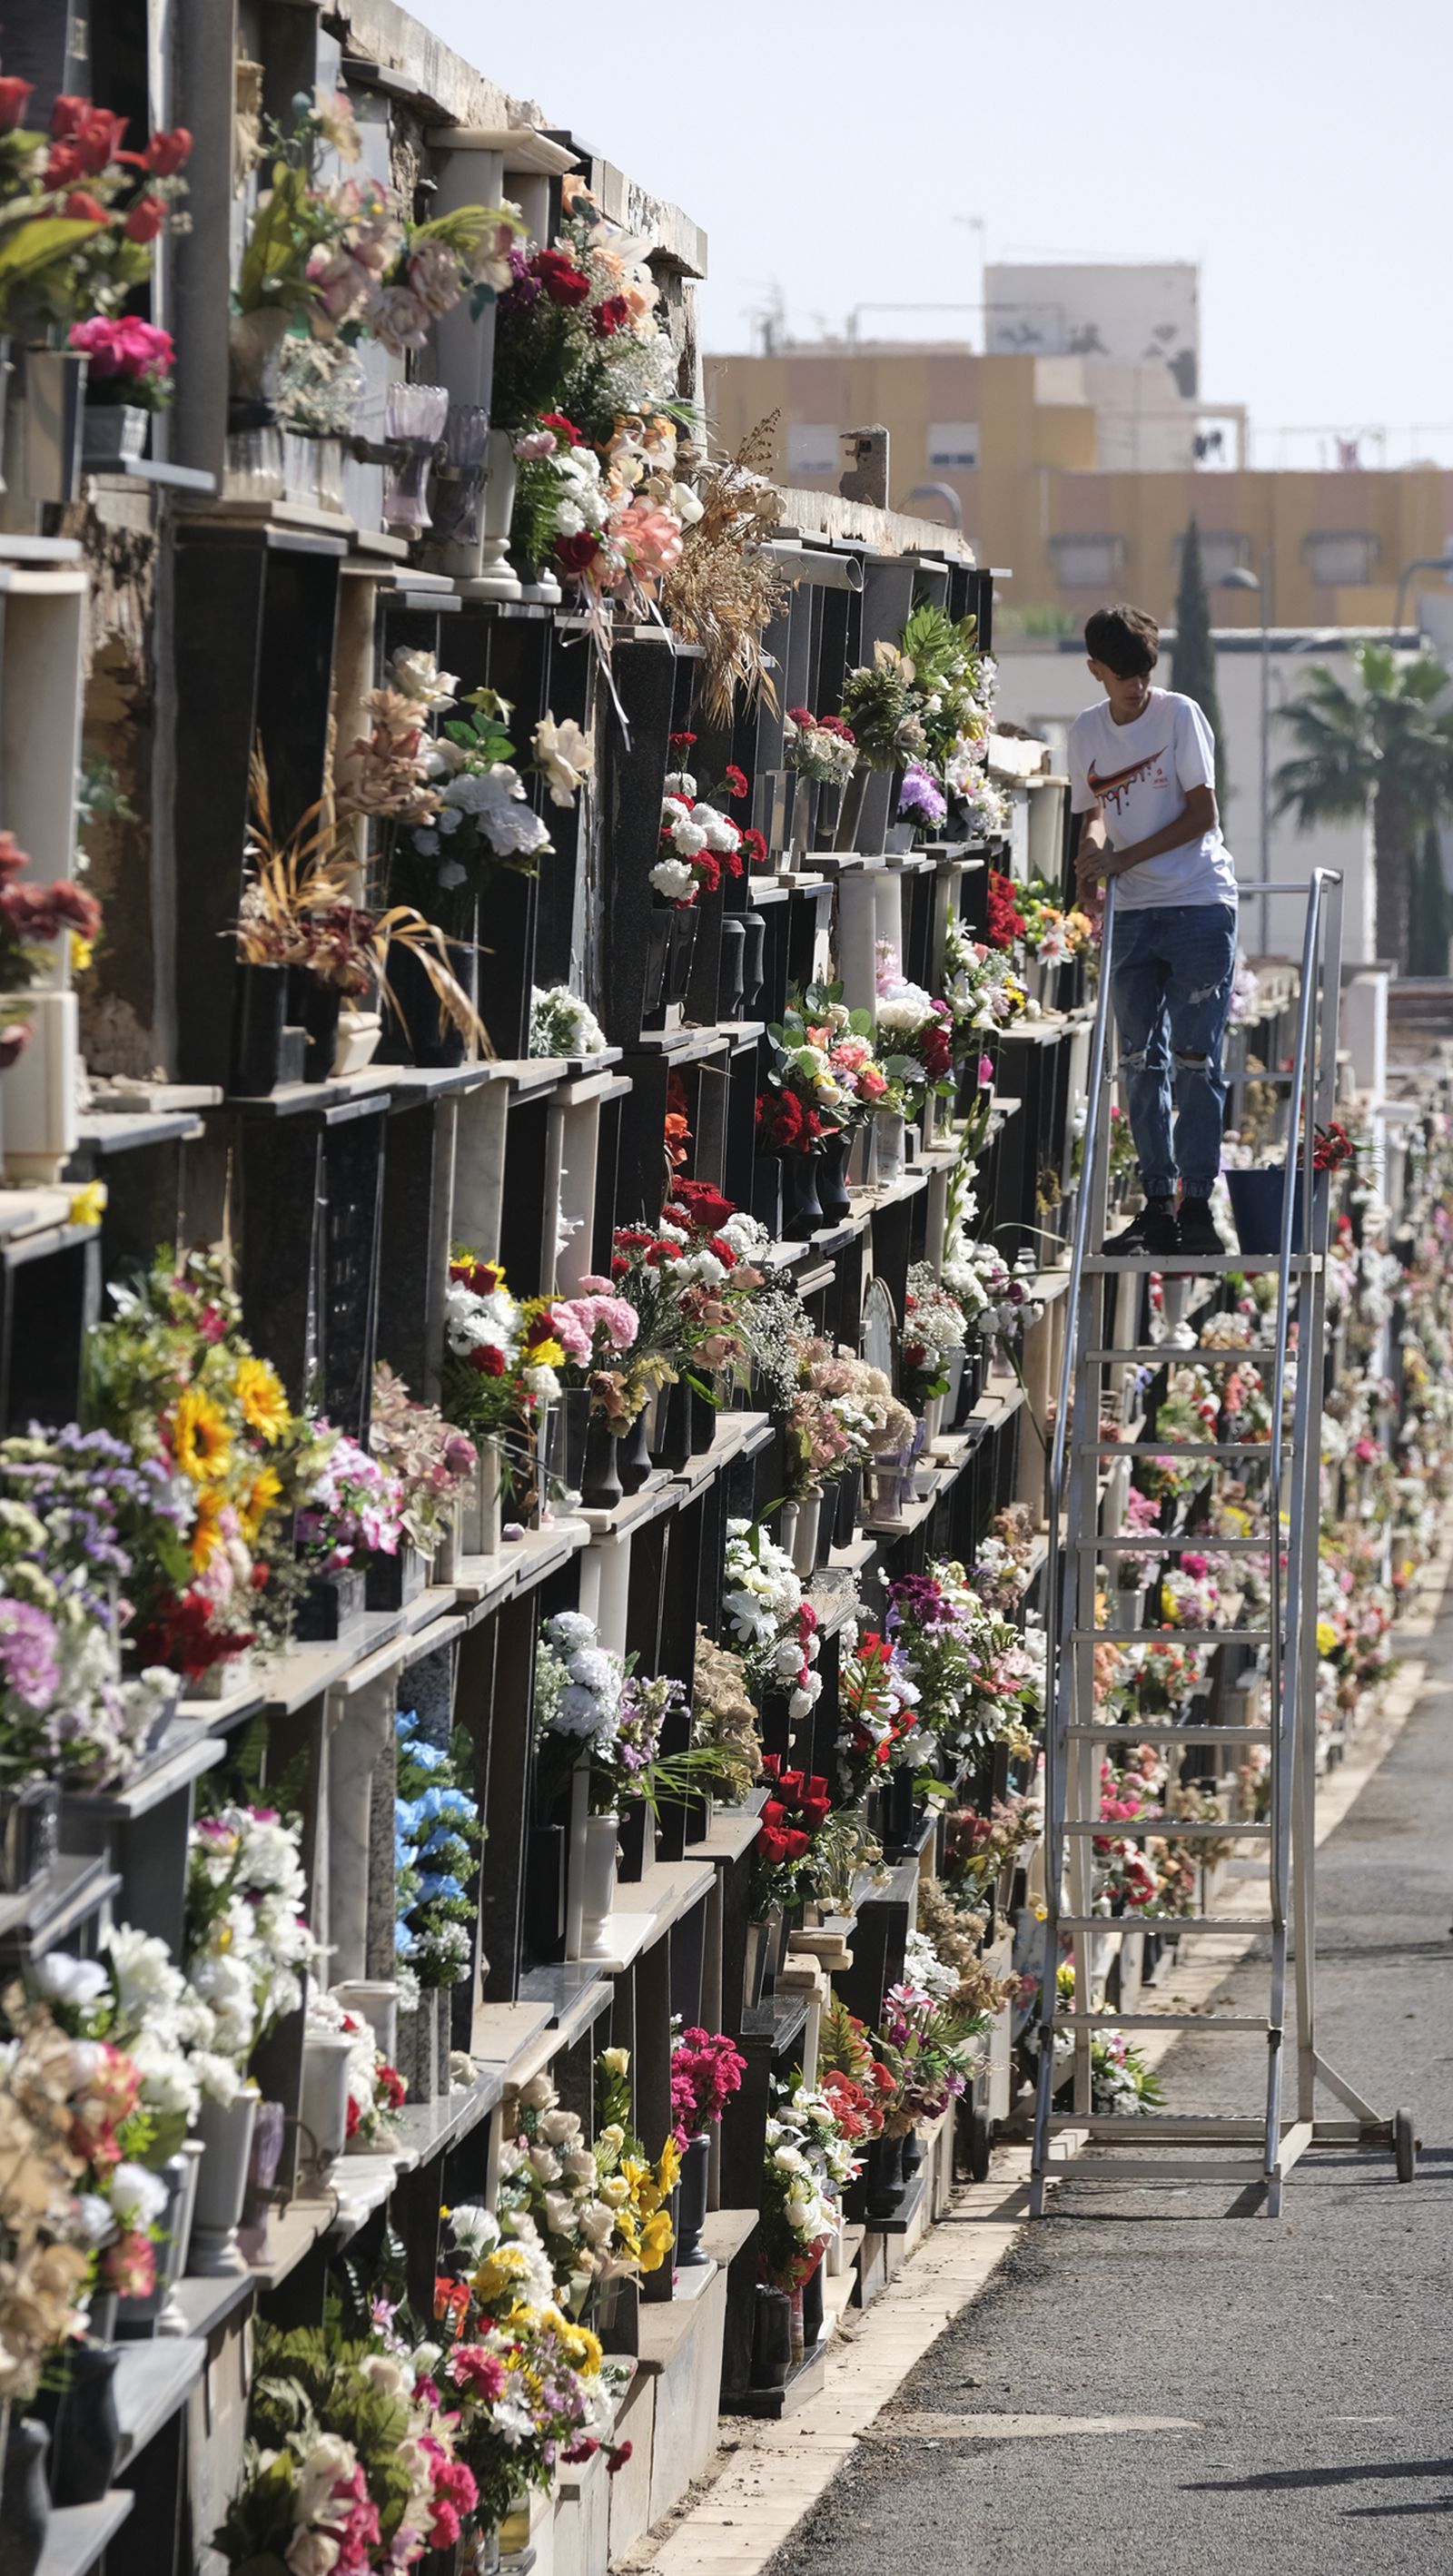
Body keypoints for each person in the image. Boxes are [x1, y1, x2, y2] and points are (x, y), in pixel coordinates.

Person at [1068, 601, 1239, 1258]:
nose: (1137, 686)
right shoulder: (1087, 733)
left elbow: (1202, 814)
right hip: (1134, 916)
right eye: (1123, 675)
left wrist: (1119, 860)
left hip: (1198, 904)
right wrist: (1089, 863)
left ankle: (1199, 1202)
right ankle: (1157, 1204)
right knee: (1141, 1063)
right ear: (1096, 672)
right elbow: (1090, 814)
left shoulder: (1179, 716)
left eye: (1144, 672)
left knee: (1196, 1059)